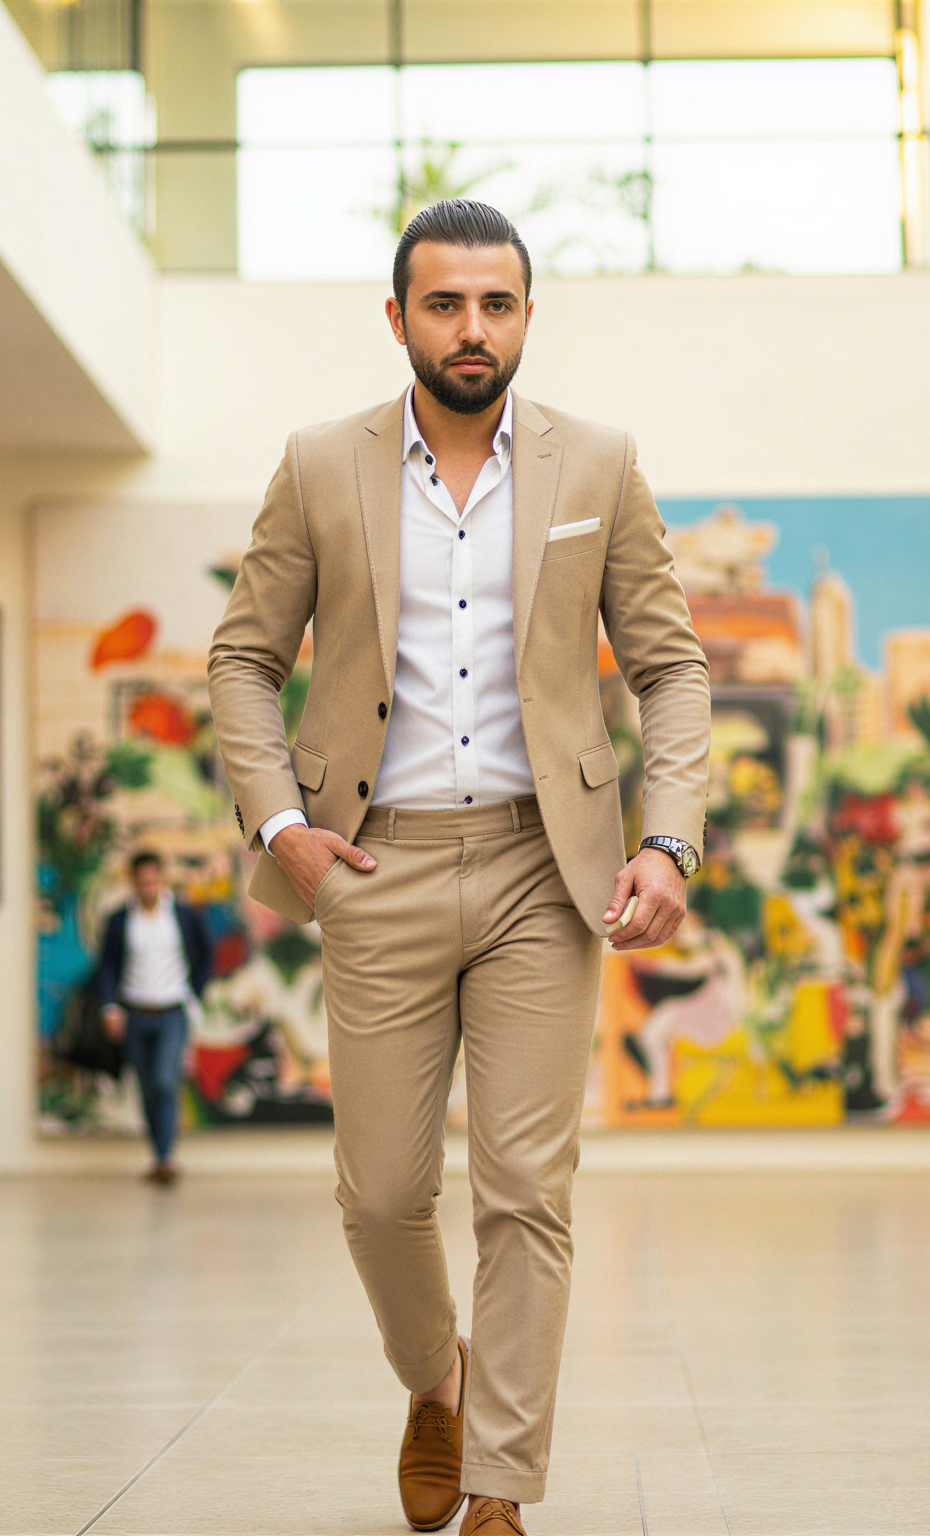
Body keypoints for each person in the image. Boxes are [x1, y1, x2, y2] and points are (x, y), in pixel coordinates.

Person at [208, 200, 710, 1536]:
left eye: (495, 303)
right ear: (399, 319)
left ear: (528, 314)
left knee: (526, 1191)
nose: (471, 328)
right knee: (380, 1195)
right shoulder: (320, 465)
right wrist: (279, 826)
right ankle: (438, 1384)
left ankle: (499, 1491)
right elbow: (243, 658)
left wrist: (667, 838)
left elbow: (668, 668)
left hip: (548, 869)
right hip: (374, 862)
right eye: (444, 304)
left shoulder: (597, 463)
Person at [93, 849, 214, 1186]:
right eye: (142, 881)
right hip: (133, 1013)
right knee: (146, 1088)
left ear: (162, 879)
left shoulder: (182, 916)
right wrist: (110, 1007)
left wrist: (194, 992)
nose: (148, 886)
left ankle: (167, 1158)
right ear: (133, 883)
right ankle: (159, 1157)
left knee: (164, 1080)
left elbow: (205, 955)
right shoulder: (119, 920)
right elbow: (107, 966)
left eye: (153, 880)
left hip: (172, 1011)